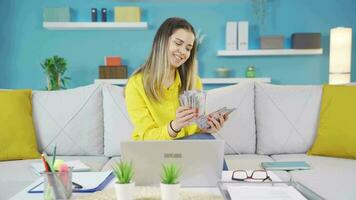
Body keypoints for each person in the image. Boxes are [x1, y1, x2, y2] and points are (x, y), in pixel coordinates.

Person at [125, 17, 229, 170]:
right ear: (162, 42)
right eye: (178, 43)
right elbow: (147, 137)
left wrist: (208, 127)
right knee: (206, 141)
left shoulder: (194, 82)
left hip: (185, 150)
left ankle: (223, 189)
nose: (183, 52)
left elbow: (194, 130)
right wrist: (175, 126)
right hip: (151, 152)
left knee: (207, 139)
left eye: (188, 48)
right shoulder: (136, 84)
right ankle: (228, 189)